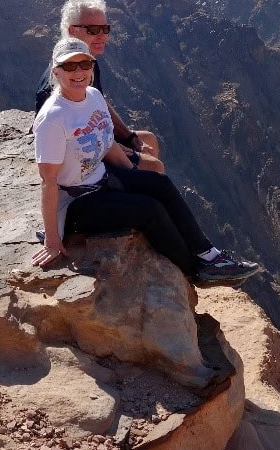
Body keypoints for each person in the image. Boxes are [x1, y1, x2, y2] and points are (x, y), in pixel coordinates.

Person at [32, 36, 260, 287]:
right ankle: (194, 272)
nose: (78, 72)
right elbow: (48, 181)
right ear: (56, 71)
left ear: (92, 66)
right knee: (149, 211)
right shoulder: (53, 118)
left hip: (101, 178)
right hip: (76, 203)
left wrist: (137, 180)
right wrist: (53, 240)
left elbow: (106, 144)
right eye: (69, 66)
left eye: (84, 64)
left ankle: (210, 256)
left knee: (159, 184)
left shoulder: (94, 97)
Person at [35, 0, 163, 173]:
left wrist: (130, 137)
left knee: (148, 139)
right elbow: (65, 138)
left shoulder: (85, 62)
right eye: (94, 30)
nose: (102, 36)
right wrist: (112, 146)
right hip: (84, 156)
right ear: (73, 31)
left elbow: (99, 105)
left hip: (98, 137)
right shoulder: (66, 77)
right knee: (154, 167)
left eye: (105, 29)